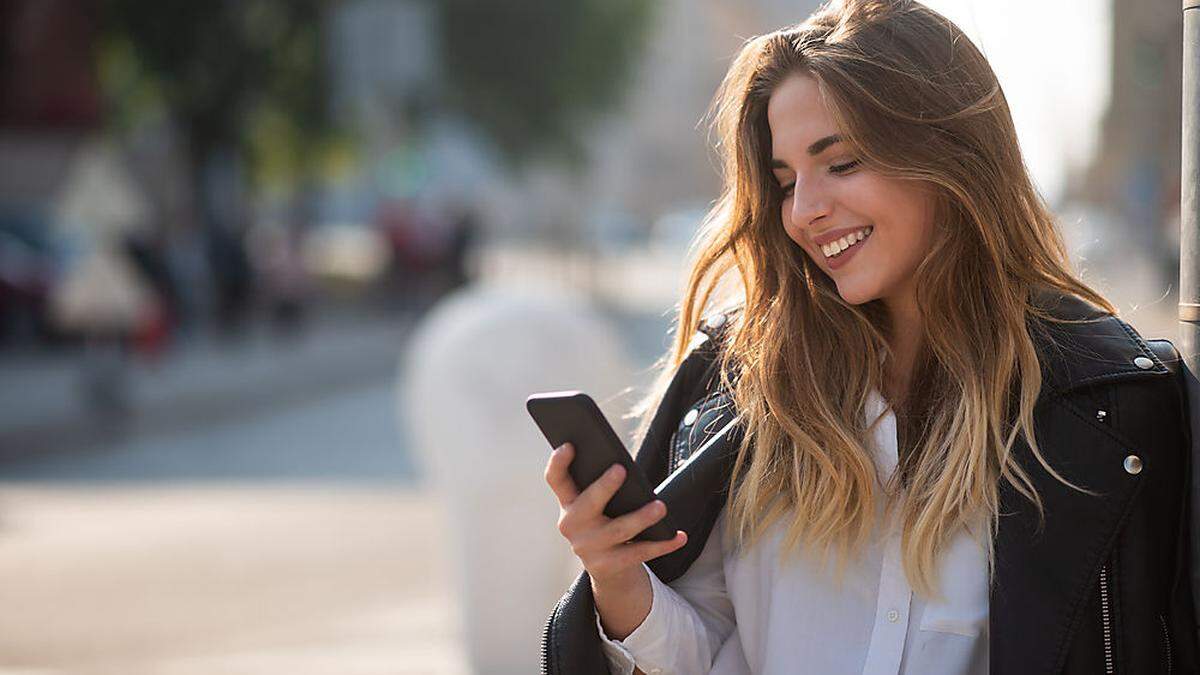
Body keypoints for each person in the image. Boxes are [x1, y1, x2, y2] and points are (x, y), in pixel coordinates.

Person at [540, 1, 1199, 673]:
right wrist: (616, 580)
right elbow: (707, 650)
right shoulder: (744, 386)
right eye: (786, 181)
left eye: (843, 163)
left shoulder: (1110, 406)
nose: (804, 211)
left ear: (949, 150)